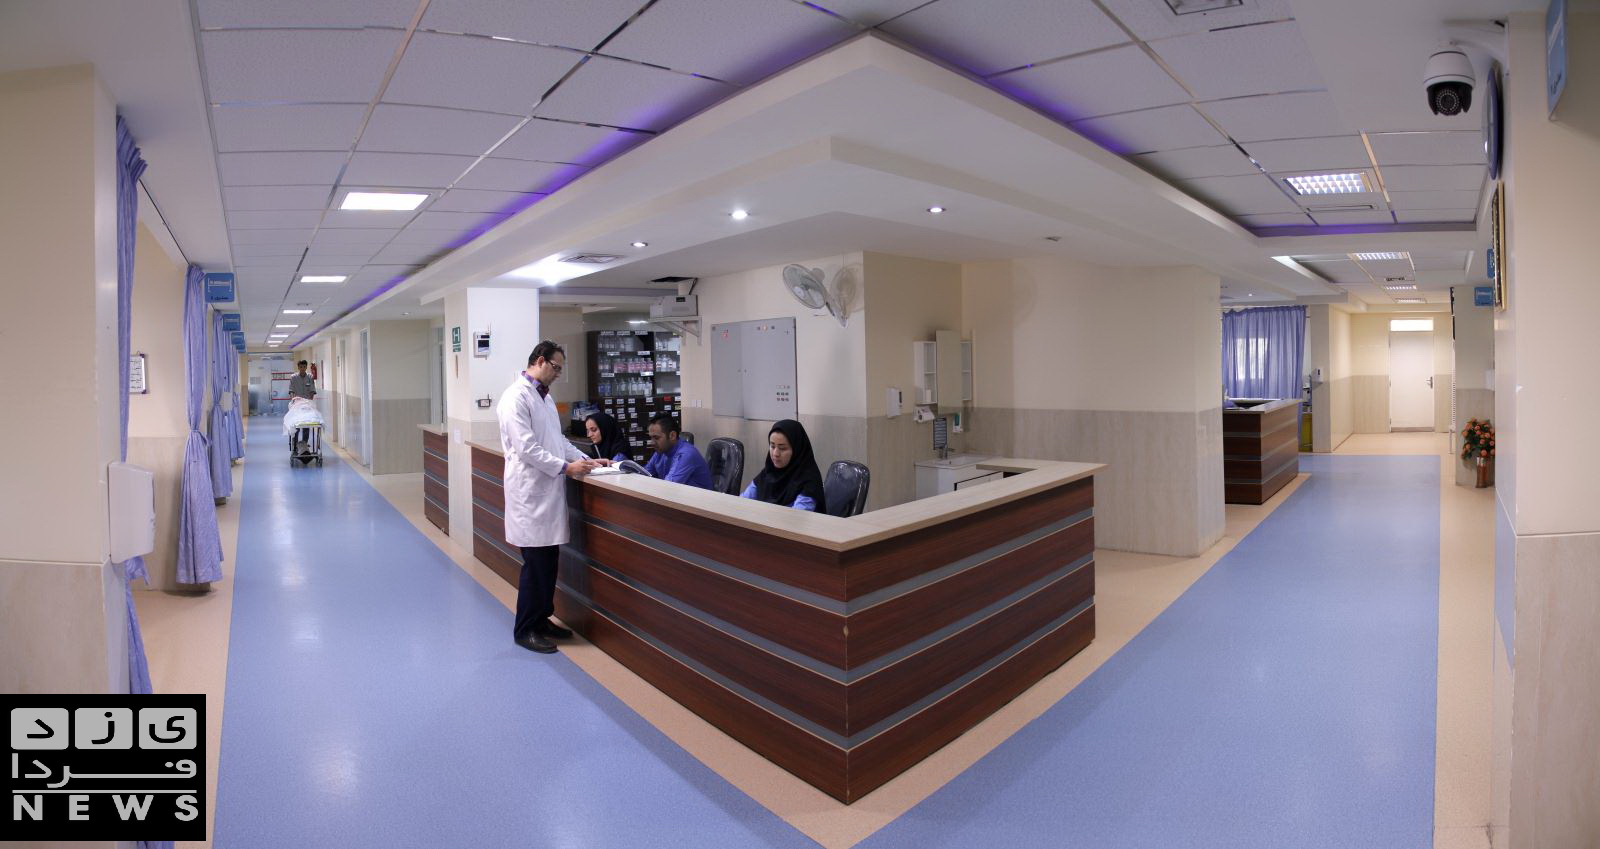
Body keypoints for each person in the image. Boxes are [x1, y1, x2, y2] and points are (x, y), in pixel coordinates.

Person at [496, 341, 605, 654]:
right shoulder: (515, 397)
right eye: (556, 367)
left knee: (548, 563)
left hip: (547, 492)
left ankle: (542, 620)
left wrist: (586, 460)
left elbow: (557, 441)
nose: (558, 374)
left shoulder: (544, 397)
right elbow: (526, 448)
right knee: (535, 566)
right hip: (530, 494)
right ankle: (525, 629)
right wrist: (566, 468)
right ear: (540, 361)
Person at [742, 419, 826, 513]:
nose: (775, 453)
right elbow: (742, 501)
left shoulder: (809, 480)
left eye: (782, 448)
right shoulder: (769, 472)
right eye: (772, 446)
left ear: (796, 450)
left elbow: (797, 517)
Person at [643, 414, 712, 489]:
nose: (652, 442)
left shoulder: (686, 454)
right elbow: (644, 475)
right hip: (677, 494)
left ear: (672, 435)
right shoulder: (661, 450)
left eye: (656, 438)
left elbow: (669, 486)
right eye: (651, 437)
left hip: (696, 496)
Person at [288, 360, 316, 452]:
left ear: (306, 367)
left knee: (306, 426)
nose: (302, 369)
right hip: (297, 405)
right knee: (296, 426)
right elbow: (291, 391)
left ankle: (304, 445)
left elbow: (312, 391)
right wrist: (294, 401)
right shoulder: (293, 377)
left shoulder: (310, 377)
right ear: (298, 367)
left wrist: (309, 402)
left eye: (304, 367)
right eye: (301, 367)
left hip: (307, 405)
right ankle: (295, 446)